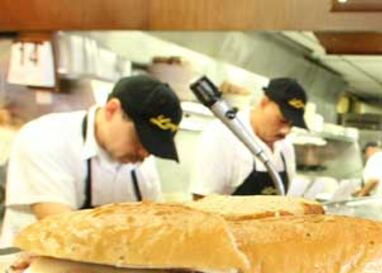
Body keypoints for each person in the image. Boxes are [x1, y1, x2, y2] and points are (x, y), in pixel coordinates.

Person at [0, 75, 181, 247]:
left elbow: (156, 230)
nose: (144, 153)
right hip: (27, 269)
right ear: (112, 109)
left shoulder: (140, 159)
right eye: (140, 139)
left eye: (153, 148)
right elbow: (62, 231)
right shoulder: (44, 136)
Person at [191, 77, 307, 198]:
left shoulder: (286, 145)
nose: (286, 131)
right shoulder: (221, 134)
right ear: (265, 102)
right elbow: (202, 201)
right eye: (282, 120)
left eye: (292, 124)